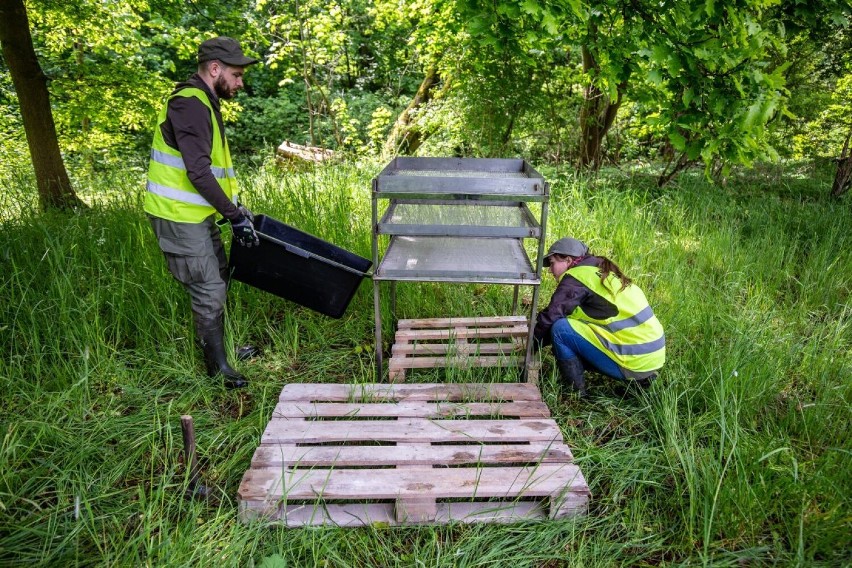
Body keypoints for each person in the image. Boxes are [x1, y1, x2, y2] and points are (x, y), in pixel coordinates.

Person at [145, 36, 260, 389]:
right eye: (237, 75)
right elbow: (198, 172)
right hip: (178, 216)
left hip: (197, 214)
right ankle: (217, 369)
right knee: (208, 286)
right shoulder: (190, 104)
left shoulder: (204, 102)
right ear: (215, 69)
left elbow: (212, 169)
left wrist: (233, 209)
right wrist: (235, 217)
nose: (241, 83)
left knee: (219, 276)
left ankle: (221, 350)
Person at [533, 237, 665, 397]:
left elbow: (551, 317)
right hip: (653, 356)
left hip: (634, 361)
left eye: (552, 263)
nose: (550, 270)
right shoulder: (602, 270)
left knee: (560, 330)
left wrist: (531, 346)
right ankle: (642, 381)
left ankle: (576, 395)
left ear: (568, 260)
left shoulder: (576, 279)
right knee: (571, 325)